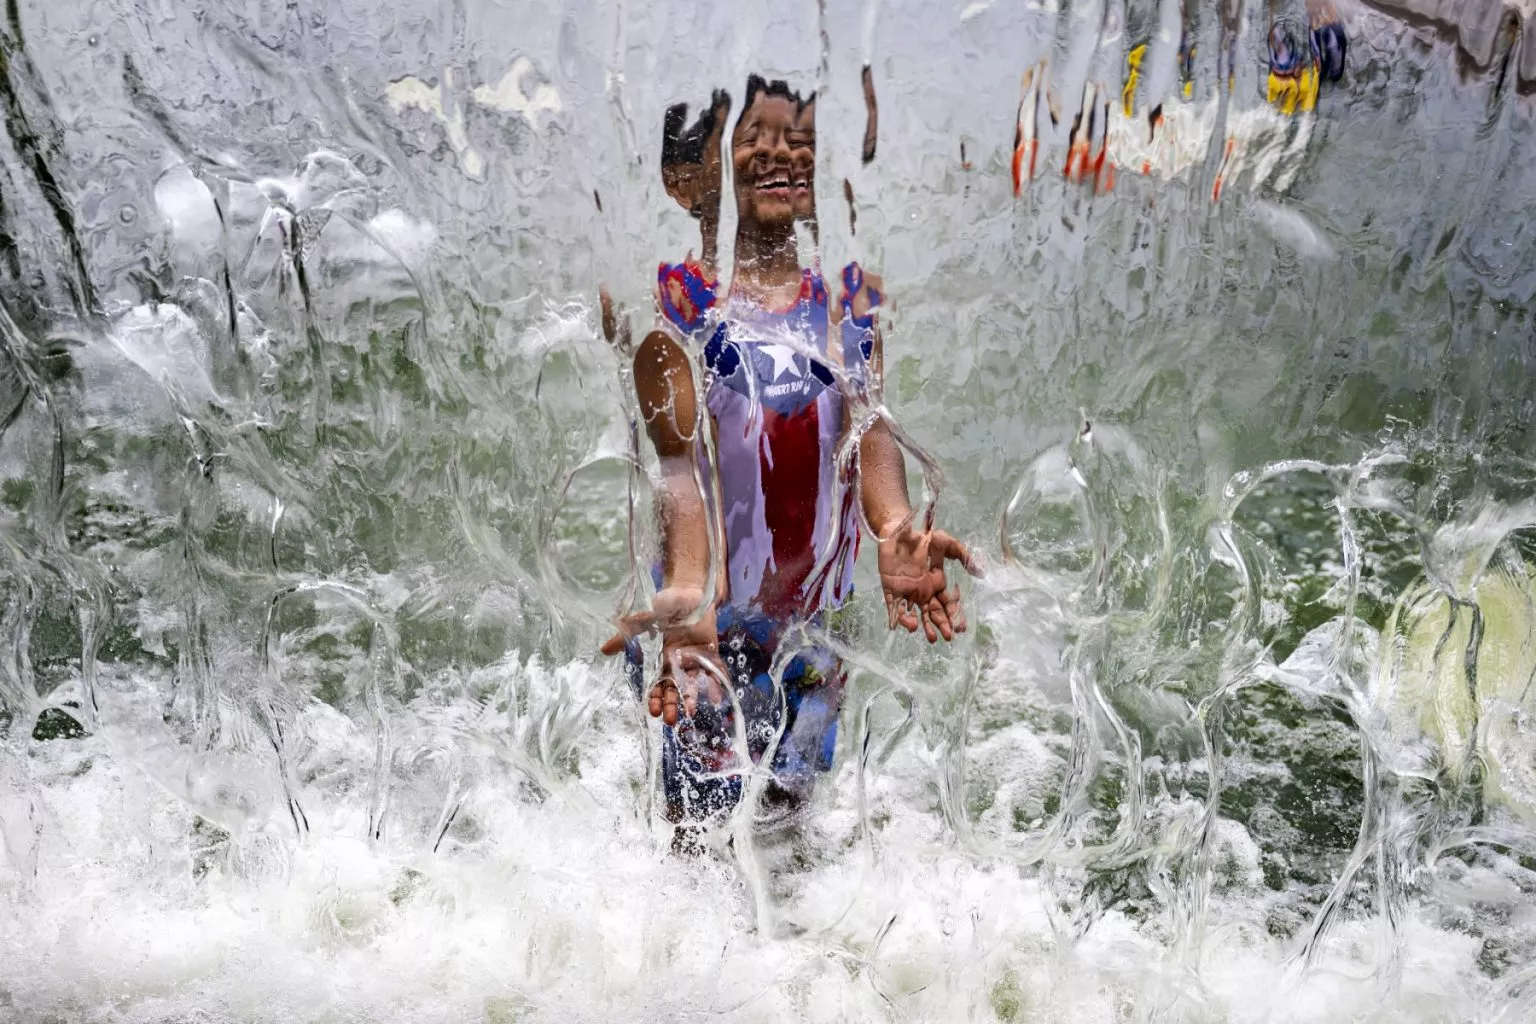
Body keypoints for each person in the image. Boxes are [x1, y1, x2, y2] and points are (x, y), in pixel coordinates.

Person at [599, 75, 978, 846]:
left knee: (791, 830)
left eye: (799, 137)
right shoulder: (681, 306)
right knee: (695, 837)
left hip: (813, 632)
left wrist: (897, 526)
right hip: (701, 622)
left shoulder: (850, 301)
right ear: (696, 174)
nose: (781, 151)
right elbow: (682, 471)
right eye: (754, 135)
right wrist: (688, 597)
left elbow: (869, 437)